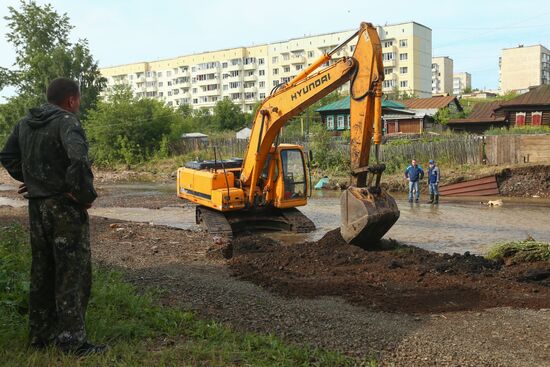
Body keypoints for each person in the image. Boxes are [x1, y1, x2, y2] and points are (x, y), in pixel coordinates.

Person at [0, 78, 106, 355]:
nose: (78, 104)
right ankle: (72, 342)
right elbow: (79, 160)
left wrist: (33, 179)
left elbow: (7, 155)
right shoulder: (67, 121)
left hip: (37, 208)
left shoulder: (25, 123)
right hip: (64, 208)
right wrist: (83, 196)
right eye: (78, 100)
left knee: (42, 271)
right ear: (71, 100)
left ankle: (40, 336)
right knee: (72, 272)